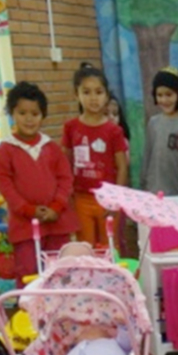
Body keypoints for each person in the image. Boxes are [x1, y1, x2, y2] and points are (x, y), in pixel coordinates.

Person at [0, 82, 78, 284]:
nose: (29, 119)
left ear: (43, 116)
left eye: (35, 113)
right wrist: (27, 209)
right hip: (24, 226)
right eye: (22, 113)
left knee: (59, 270)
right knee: (27, 271)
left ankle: (60, 310)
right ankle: (29, 312)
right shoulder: (6, 149)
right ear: (12, 114)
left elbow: (66, 179)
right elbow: (6, 186)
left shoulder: (51, 147)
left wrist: (56, 207)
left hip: (57, 222)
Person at [61, 63, 128, 248]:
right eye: (86, 92)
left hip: (108, 199)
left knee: (109, 250)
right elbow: (64, 163)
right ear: (77, 94)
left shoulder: (114, 130)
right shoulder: (70, 127)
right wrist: (68, 196)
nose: (93, 98)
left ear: (106, 95)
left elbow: (122, 166)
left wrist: (116, 199)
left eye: (98, 92)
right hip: (81, 198)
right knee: (85, 250)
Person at [141, 67, 178, 196]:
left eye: (169, 94)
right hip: (153, 192)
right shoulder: (153, 123)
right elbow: (147, 156)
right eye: (159, 95)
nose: (164, 100)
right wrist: (144, 185)